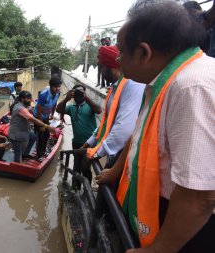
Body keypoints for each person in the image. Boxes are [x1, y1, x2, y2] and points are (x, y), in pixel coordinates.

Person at [97, 1, 215, 252]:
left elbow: (199, 197)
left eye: (120, 52)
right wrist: (115, 172)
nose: (117, 59)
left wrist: (158, 250)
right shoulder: (163, 82)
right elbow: (140, 134)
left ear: (143, 52)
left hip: (185, 229)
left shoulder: (190, 88)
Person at [82, 45, 145, 170]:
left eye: (102, 67)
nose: (100, 71)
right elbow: (108, 121)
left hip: (126, 156)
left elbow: (124, 128)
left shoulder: (132, 84)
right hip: (115, 153)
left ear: (110, 66)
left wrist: (97, 152)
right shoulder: (114, 88)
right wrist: (91, 141)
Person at [56, 84, 102, 183]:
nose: (78, 94)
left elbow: (99, 110)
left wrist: (86, 97)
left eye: (81, 92)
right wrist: (65, 99)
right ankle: (75, 188)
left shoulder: (89, 106)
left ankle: (87, 189)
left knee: (85, 168)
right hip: (76, 143)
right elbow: (58, 110)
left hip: (90, 144)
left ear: (85, 93)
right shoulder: (71, 107)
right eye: (76, 92)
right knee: (76, 167)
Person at [9, 91, 56, 163]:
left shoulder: (21, 105)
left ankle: (25, 154)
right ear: (22, 99)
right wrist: (47, 126)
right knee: (18, 153)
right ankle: (16, 167)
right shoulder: (21, 108)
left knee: (33, 137)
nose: (30, 100)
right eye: (28, 99)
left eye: (30, 98)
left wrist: (30, 109)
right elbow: (33, 119)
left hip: (24, 130)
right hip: (16, 134)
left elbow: (28, 111)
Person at [33, 74, 61, 158]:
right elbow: (39, 110)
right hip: (38, 116)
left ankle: (43, 151)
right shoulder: (44, 95)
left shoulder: (57, 93)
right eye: (55, 87)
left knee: (47, 135)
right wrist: (41, 125)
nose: (57, 88)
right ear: (51, 86)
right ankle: (39, 155)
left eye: (59, 86)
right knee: (41, 136)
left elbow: (55, 103)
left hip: (46, 116)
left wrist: (52, 114)